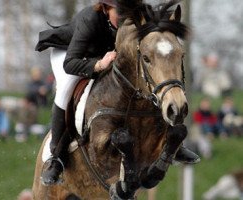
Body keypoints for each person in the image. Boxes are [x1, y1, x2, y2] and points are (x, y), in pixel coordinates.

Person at [35, 0, 199, 185]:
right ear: (105, 8)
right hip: (71, 55)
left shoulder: (137, 14)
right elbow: (70, 63)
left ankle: (173, 144)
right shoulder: (90, 19)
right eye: (119, 12)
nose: (124, 18)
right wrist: (98, 65)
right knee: (65, 89)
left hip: (106, 53)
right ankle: (56, 156)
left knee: (149, 84)